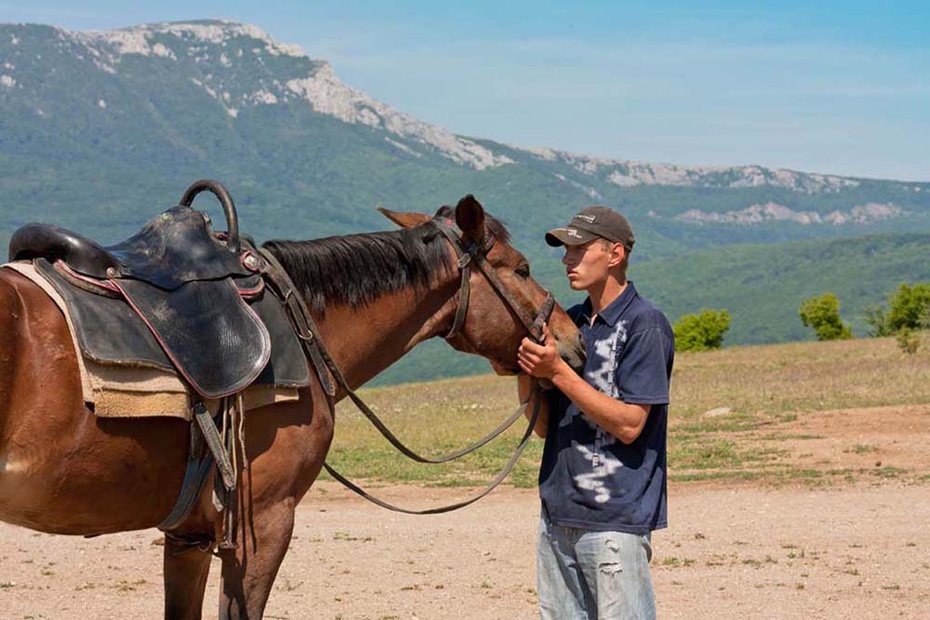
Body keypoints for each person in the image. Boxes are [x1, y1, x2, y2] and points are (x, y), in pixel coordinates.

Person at [517, 206, 675, 619]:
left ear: (615, 254)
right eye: (566, 250)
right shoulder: (569, 325)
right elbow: (543, 427)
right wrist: (524, 370)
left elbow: (630, 424)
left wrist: (558, 373)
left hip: (615, 521)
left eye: (579, 249)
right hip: (558, 516)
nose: (567, 259)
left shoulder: (645, 325)